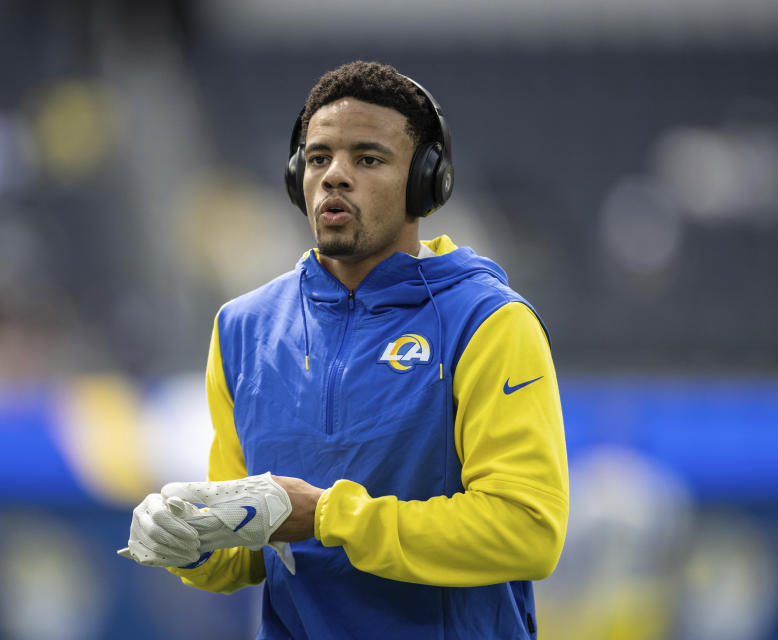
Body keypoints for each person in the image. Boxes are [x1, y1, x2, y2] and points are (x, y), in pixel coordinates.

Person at [122, 60, 569, 640]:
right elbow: (246, 555)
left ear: (425, 182)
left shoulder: (489, 323)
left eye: (368, 158)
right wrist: (191, 542)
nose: (335, 175)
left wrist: (329, 516)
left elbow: (527, 531)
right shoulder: (242, 328)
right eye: (317, 158)